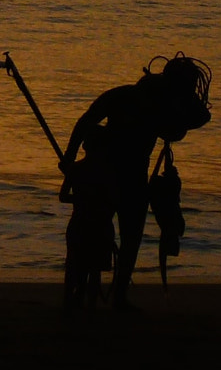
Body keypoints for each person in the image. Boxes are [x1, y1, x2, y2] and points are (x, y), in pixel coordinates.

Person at [58, 55, 212, 311]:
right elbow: (193, 121)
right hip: (125, 178)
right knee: (128, 238)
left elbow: (86, 121)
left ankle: (83, 294)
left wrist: (70, 157)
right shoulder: (160, 108)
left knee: (99, 233)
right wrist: (69, 157)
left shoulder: (126, 96)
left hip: (107, 175)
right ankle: (115, 296)